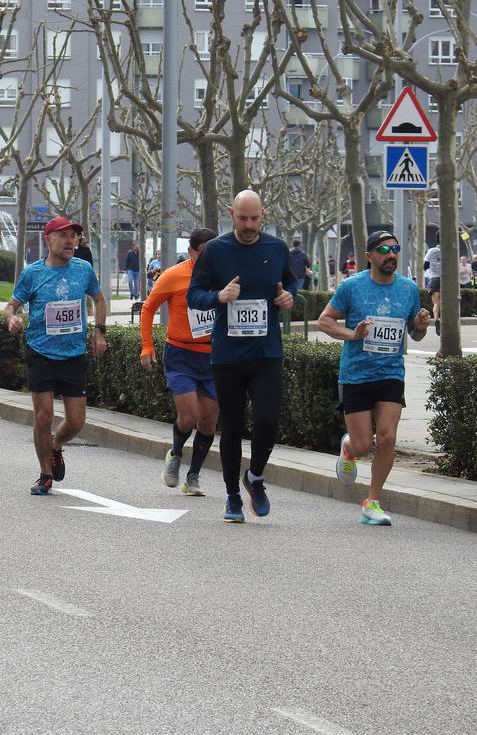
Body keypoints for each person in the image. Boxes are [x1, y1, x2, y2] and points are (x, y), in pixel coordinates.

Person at [187, 190, 296, 523]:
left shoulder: (276, 249)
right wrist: (219, 296)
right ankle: (233, 496)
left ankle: (256, 476)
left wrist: (289, 299)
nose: (249, 225)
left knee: (268, 420)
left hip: (266, 351)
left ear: (263, 214)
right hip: (228, 355)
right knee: (232, 426)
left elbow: (292, 285)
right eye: (242, 218)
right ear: (231, 213)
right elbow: (194, 295)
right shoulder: (215, 251)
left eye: (255, 218)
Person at [317, 230, 431, 526]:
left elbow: (415, 334)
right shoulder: (352, 287)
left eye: (395, 249)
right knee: (362, 445)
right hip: (356, 374)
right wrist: (351, 334)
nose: (391, 254)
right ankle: (348, 449)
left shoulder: (408, 289)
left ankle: (373, 502)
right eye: (384, 249)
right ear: (370, 257)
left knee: (388, 437)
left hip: (391, 373)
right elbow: (324, 321)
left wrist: (420, 325)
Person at [2, 216, 107, 496]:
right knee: (43, 416)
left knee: (76, 421)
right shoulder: (33, 274)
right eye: (64, 235)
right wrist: (12, 319)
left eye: (74, 236)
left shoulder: (83, 269)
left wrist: (99, 331)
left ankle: (56, 444)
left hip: (74, 354)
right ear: (48, 240)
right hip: (40, 353)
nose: (71, 240)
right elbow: (10, 306)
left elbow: (99, 299)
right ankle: (44, 474)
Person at [138, 228, 219, 497]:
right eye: (202, 252)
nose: (208, 258)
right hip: (181, 354)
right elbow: (148, 307)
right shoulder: (173, 275)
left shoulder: (226, 276)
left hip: (213, 357)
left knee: (208, 422)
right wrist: (147, 345)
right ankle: (175, 452)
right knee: (189, 416)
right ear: (191, 252)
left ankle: (193, 475)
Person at [423, 242, 441, 334]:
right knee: (444, 303)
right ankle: (444, 322)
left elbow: (425, 266)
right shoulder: (450, 251)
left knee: (436, 304)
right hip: (446, 281)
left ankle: (437, 320)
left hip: (434, 279)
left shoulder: (431, 251)